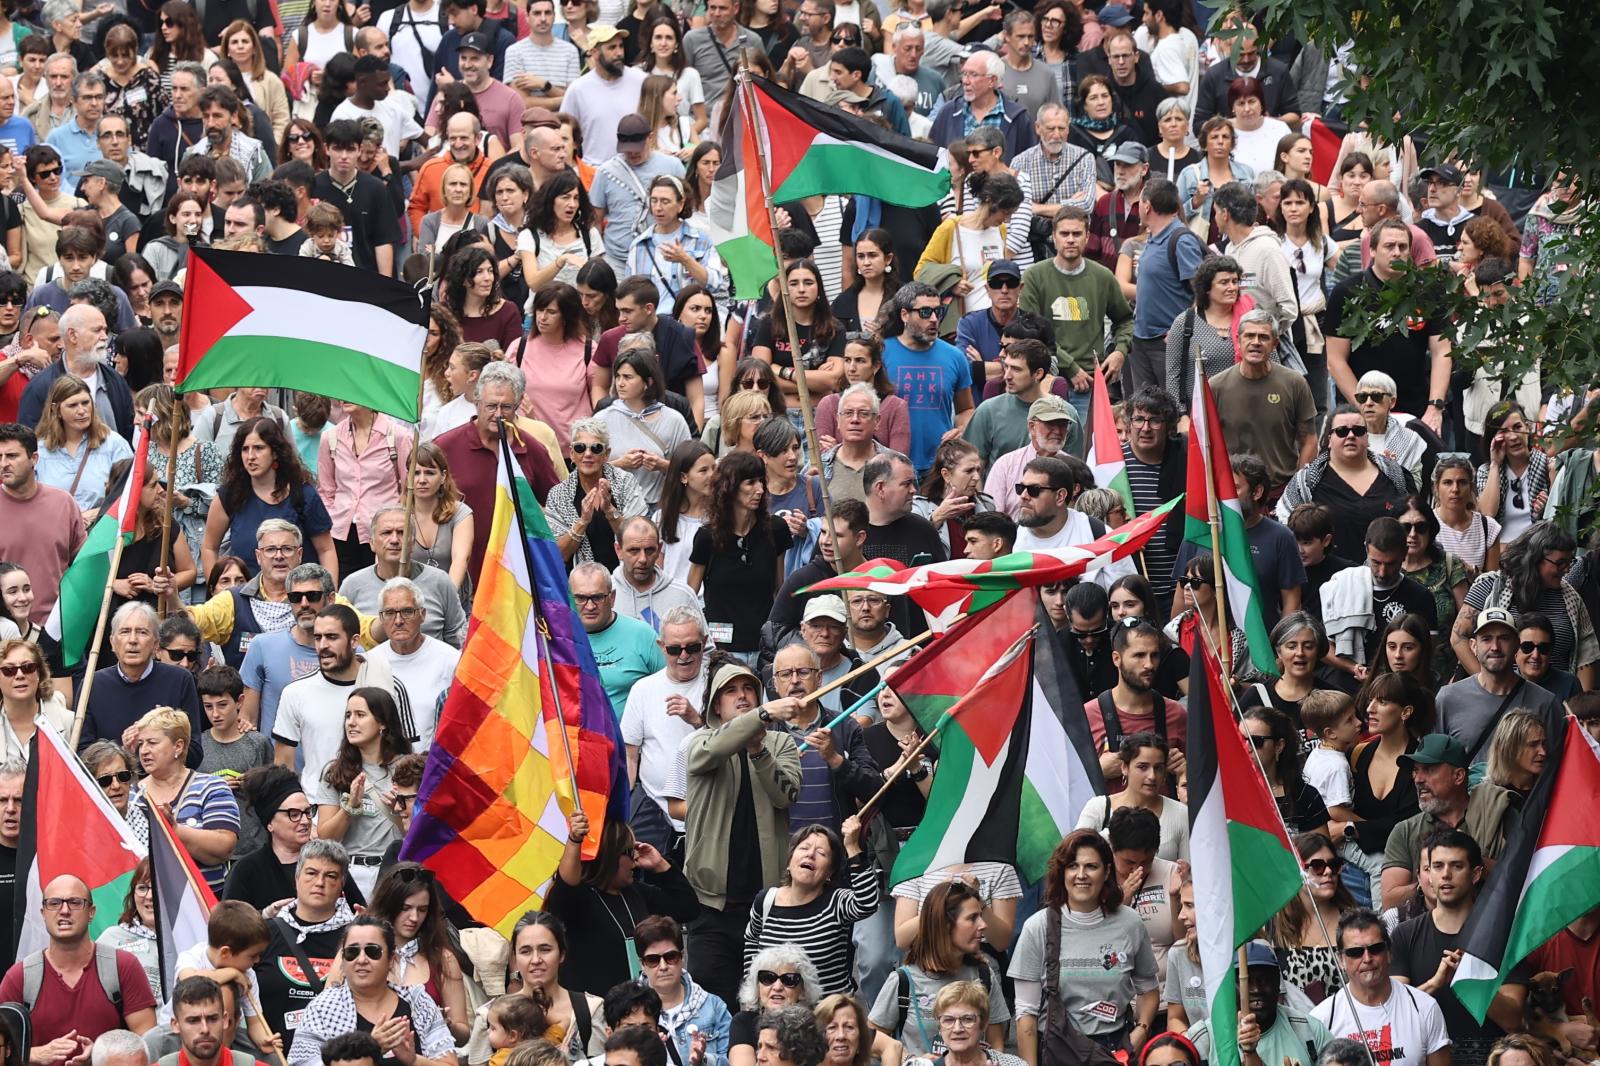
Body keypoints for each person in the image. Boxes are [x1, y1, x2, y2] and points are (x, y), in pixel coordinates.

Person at [679, 654, 804, 1007]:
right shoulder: (702, 741)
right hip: (710, 905)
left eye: (749, 688)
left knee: (769, 1004)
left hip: (766, 906)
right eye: (731, 690)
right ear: (716, 704)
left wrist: (758, 749)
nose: (742, 696)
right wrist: (759, 718)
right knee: (713, 1002)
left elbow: (786, 796)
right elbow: (713, 750)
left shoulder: (781, 744)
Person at [1009, 830, 1157, 1057]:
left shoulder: (1130, 922)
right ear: (1062, 872)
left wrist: (1142, 1030)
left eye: (1091, 866)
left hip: (1115, 1050)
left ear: (1107, 871)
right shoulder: (1038, 927)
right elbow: (1025, 1014)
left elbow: (1148, 989)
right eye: (1072, 866)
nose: (1081, 874)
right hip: (1058, 1050)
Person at [0, 873, 159, 1054]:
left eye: (75, 902)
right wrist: (34, 1055)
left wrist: (101, 1056)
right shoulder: (20, 977)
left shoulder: (123, 967)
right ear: (43, 914)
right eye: (54, 903)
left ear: (91, 912)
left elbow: (147, 1045)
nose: (65, 910)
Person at [1325, 219, 1452, 430]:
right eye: (1389, 246)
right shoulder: (1347, 292)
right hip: (1360, 407)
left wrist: (1435, 406)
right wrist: (1363, 406)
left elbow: (1442, 352)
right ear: (1372, 250)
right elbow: (1336, 360)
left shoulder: (1429, 291)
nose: (1397, 252)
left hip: (1416, 406)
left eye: (1403, 247)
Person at [285, 916, 457, 1066]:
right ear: (343, 960)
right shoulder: (322, 1009)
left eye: (372, 951)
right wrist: (370, 1049)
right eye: (352, 952)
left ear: (391, 959)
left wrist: (414, 1061)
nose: (361, 960)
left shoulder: (418, 1002)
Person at [1379, 733, 1518, 907]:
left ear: (1458, 776)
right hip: (1427, 929)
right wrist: (1432, 881)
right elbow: (1390, 901)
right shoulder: (1405, 830)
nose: (1418, 779)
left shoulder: (1498, 814)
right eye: (1415, 770)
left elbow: (1523, 876)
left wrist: (1476, 864)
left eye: (1429, 769)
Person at [871, 881, 1007, 1055]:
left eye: (980, 916)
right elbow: (870, 1039)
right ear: (944, 924)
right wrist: (910, 1060)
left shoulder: (983, 974)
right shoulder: (904, 980)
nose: (983, 925)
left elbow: (996, 1044)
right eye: (972, 918)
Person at [1455, 522, 1598, 685]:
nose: (1566, 570)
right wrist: (1488, 684)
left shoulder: (1571, 598)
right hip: (1502, 696)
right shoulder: (1490, 585)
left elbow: (1586, 656)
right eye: (1559, 563)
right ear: (1534, 559)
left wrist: (1578, 705)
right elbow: (1459, 637)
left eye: (1569, 562)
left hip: (1557, 700)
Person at [202, 417, 337, 583]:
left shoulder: (302, 494)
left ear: (275, 452)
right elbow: (209, 547)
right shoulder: (230, 495)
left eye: (259, 448)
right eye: (245, 449)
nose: (250, 456)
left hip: (299, 598)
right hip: (246, 598)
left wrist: (330, 598)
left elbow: (326, 550)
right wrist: (217, 590)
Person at [1309, 910, 1451, 1066]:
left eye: (1375, 948)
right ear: (1341, 960)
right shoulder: (1321, 1020)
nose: (1367, 959)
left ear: (1389, 952)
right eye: (1355, 952)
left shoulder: (1425, 1008)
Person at [1276, 408, 1416, 563]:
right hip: (1328, 581)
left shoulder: (1396, 474)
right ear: (1329, 439)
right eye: (1342, 431)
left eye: (1358, 430)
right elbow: (1287, 532)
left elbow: (1416, 521)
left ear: (1367, 438)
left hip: (1388, 576)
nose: (1351, 436)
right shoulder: (1305, 483)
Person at [124, 706, 240, 892]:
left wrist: (175, 831)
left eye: (152, 743)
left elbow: (224, 848)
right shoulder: (130, 795)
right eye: (141, 744)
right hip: (147, 903)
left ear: (178, 746)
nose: (144, 751)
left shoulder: (211, 787)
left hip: (203, 904)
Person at [466, 912, 607, 1064]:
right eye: (525, 951)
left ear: (561, 954)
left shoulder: (590, 1010)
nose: (535, 960)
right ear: (515, 958)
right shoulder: (489, 1016)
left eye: (545, 949)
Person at [80, 603, 206, 763]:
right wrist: (123, 753)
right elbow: (82, 755)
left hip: (168, 784)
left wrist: (158, 743)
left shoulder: (180, 680)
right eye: (125, 632)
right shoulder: (92, 685)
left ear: (155, 644)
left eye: (142, 632)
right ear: (112, 642)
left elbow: (194, 752)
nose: (133, 640)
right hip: (112, 784)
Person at [1436, 606, 1564, 762]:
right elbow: (1435, 763)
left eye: (1504, 638)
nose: (1495, 647)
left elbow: (1554, 767)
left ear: (1517, 645)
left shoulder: (1545, 703)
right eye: (1486, 639)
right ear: (1473, 646)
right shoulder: (1448, 699)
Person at [0, 639, 71, 761]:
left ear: (39, 673)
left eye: (28, 667)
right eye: (9, 670)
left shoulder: (69, 722)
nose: (20, 675)